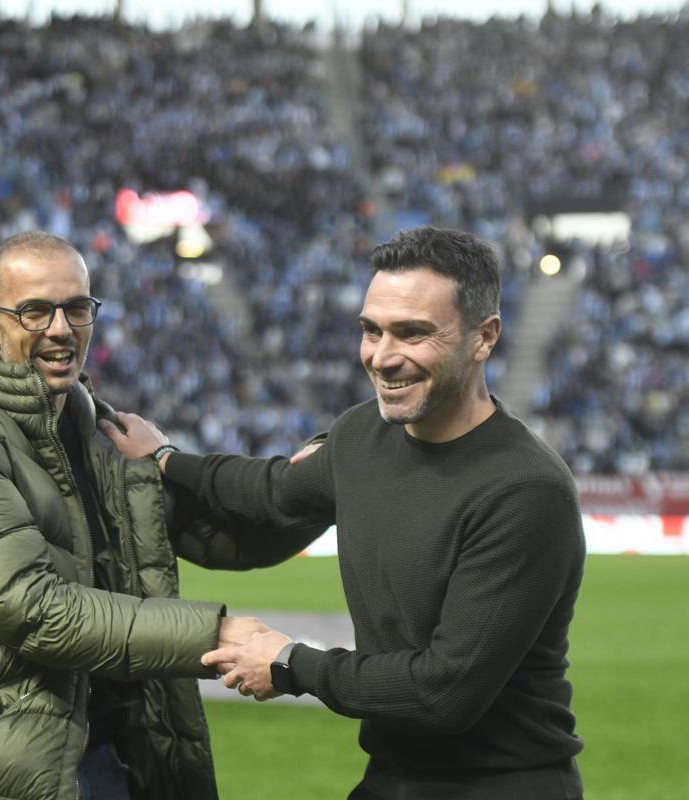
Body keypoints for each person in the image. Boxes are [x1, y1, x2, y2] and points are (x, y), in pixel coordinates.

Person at [101, 226, 587, 799]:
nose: (382, 357)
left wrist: (288, 664)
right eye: (371, 330)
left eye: (412, 333)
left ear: (485, 338)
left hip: (502, 785)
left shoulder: (524, 490)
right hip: (390, 779)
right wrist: (165, 459)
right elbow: (270, 490)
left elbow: (444, 691)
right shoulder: (363, 435)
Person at [0, 231, 273, 800]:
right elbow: (33, 607)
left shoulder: (91, 430)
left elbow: (220, 537)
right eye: (35, 311)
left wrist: (331, 474)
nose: (61, 329)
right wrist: (213, 634)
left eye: (76, 308)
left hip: (101, 751)